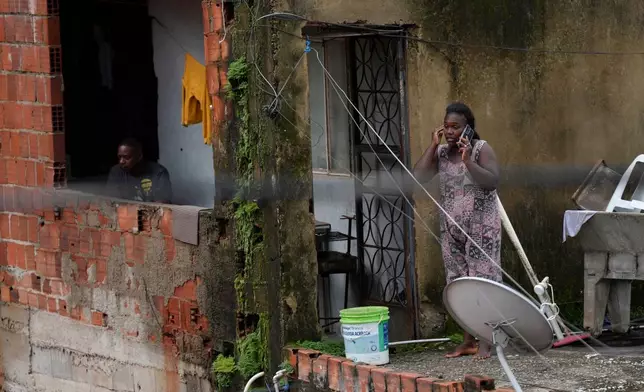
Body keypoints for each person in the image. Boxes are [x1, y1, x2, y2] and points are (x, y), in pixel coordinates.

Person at [414, 102, 502, 359]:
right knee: (459, 285)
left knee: (482, 285)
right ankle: (468, 341)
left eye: (456, 127)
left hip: (481, 230)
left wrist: (468, 162)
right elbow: (418, 176)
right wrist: (432, 144)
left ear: (468, 129)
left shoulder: (481, 149)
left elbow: (492, 181)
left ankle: (487, 341)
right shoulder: (440, 153)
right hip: (451, 229)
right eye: (447, 126)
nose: (450, 132)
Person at [106, 138, 172, 203]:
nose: (121, 161)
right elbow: (112, 201)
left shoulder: (158, 172)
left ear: (139, 156)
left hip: (151, 212)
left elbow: (162, 204)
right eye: (119, 157)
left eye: (126, 157)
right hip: (125, 212)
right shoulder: (116, 171)